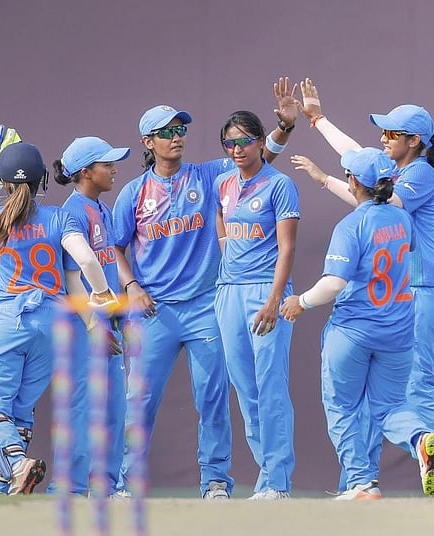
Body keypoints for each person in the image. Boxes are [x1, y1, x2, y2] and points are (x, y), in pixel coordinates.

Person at [291, 78, 434, 497]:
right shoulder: (398, 171)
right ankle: (360, 482)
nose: (382, 138)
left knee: (416, 387)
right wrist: (318, 120)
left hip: (419, 293)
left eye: (390, 134)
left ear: (414, 140)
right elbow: (363, 170)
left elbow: (370, 196)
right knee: (381, 392)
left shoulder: (420, 174)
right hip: (400, 298)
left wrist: (326, 179)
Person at [111, 80, 298, 500]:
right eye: (167, 132)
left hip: (205, 307)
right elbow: (115, 248)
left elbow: (254, 156)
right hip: (153, 311)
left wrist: (284, 127)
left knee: (212, 400)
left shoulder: (209, 175)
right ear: (147, 141)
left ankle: (215, 481)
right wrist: (131, 286)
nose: (176, 138)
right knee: (137, 402)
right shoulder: (134, 192)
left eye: (180, 131)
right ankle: (125, 482)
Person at [283, 147, 434, 499]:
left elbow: (334, 283)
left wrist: (301, 302)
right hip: (399, 331)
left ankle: (361, 483)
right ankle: (420, 436)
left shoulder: (351, 225)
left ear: (354, 182)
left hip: (354, 329)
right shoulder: (403, 220)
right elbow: (411, 250)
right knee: (390, 407)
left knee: (341, 405)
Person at [0, 128, 117, 495]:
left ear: (2, 182)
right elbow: (85, 259)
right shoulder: (58, 217)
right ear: (42, 180)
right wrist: (102, 294)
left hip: (9, 320)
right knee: (18, 412)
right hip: (53, 323)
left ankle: (17, 464)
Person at [213, 110, 299, 500]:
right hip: (229, 291)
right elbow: (221, 222)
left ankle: (278, 482)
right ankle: (267, 476)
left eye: (244, 141)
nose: (236, 149)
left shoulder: (280, 185)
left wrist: (274, 299)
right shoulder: (222, 183)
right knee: (245, 389)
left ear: (261, 143)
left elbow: (287, 248)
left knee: (270, 386)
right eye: (230, 143)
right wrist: (224, 250)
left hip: (266, 291)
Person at [49, 136, 130, 496]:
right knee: (83, 412)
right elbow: (72, 280)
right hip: (86, 328)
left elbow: (108, 267)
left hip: (108, 326)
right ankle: (70, 489)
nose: (114, 169)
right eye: (106, 164)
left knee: (114, 411)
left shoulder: (102, 208)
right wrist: (95, 325)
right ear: (85, 172)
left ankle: (106, 487)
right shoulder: (71, 212)